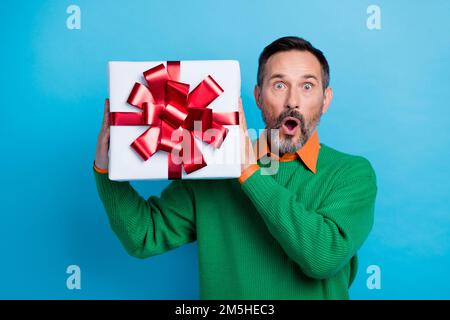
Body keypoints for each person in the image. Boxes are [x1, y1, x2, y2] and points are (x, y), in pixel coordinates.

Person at [93, 36, 377, 299]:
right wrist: (106, 171)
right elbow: (143, 235)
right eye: (279, 85)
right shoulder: (213, 167)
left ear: (325, 100)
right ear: (258, 96)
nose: (292, 101)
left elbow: (322, 257)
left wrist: (247, 171)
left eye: (307, 86)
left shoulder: (351, 173)